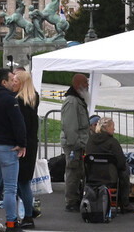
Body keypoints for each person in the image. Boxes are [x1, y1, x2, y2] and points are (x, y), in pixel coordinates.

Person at [0, 68, 27, 232]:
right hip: (7, 148)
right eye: (11, 79)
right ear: (4, 82)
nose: (14, 82)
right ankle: (11, 223)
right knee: (10, 188)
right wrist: (22, 143)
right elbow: (18, 124)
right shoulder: (9, 100)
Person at [85, 116, 132, 214]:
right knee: (125, 169)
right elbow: (121, 162)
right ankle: (125, 203)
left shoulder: (90, 141)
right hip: (110, 177)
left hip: (92, 176)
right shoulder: (112, 142)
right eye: (112, 126)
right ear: (107, 128)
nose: (114, 129)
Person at [14, 68, 41, 228]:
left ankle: (28, 216)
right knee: (23, 180)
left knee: (21, 182)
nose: (13, 83)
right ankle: (29, 210)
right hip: (31, 143)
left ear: (22, 83)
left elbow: (20, 126)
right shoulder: (32, 98)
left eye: (16, 81)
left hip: (23, 145)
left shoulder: (19, 102)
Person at [61, 73, 91, 213]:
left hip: (79, 143)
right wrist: (76, 144)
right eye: (85, 83)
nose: (88, 85)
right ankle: (71, 201)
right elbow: (70, 126)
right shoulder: (72, 102)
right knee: (73, 172)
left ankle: (75, 197)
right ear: (78, 85)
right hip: (74, 145)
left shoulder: (77, 100)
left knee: (78, 171)